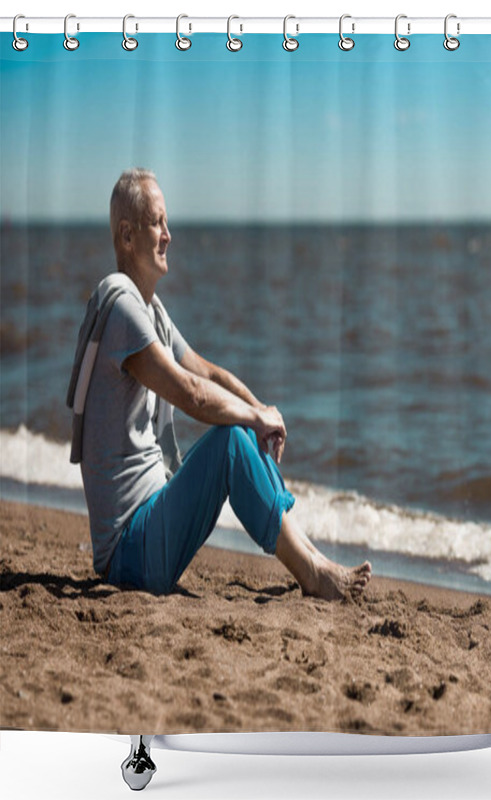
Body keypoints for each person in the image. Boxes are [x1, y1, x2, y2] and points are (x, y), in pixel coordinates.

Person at [68, 168, 371, 599]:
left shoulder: (148, 309)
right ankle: (313, 573)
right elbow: (189, 392)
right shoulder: (122, 310)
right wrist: (253, 417)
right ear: (127, 235)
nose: (168, 235)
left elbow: (206, 372)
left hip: (150, 527)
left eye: (167, 223)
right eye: (157, 223)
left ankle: (314, 561)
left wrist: (260, 409)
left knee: (241, 426)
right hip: (130, 552)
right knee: (230, 440)